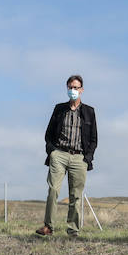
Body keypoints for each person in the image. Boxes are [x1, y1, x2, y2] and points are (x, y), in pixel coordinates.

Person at [38, 75, 98, 237]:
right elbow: (48, 133)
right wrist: (52, 151)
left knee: (76, 195)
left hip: (79, 157)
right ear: (67, 89)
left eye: (76, 87)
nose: (73, 90)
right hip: (59, 154)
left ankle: (73, 230)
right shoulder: (59, 109)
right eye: (70, 87)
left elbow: (94, 139)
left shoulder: (89, 111)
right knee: (53, 190)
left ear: (82, 90)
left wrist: (88, 158)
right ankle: (48, 227)